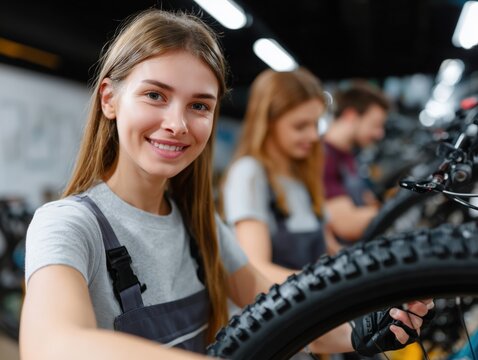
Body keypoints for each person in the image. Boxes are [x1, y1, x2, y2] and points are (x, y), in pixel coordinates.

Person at [19, 8, 432, 360]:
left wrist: (362, 326)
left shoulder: (200, 225)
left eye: (199, 105)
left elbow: (273, 305)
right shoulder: (68, 224)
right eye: (155, 96)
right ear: (109, 99)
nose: (177, 124)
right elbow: (52, 343)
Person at [220, 67, 340, 288]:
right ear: (268, 123)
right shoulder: (250, 173)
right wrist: (330, 287)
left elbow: (331, 249)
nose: (313, 136)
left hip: (316, 310)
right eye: (300, 126)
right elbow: (257, 268)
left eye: (315, 124)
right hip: (281, 317)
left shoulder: (304, 177)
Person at [323, 81, 390, 243]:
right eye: (375, 125)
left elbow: (366, 201)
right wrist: (396, 208)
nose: (380, 134)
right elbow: (347, 225)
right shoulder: (324, 158)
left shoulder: (348, 155)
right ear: (351, 115)